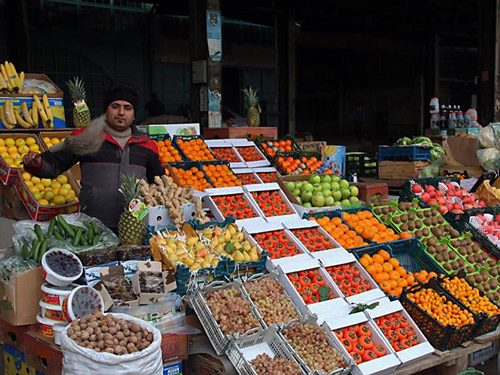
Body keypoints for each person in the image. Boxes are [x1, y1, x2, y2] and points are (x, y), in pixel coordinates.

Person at [23, 82, 164, 232]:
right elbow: (53, 166)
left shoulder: (147, 145)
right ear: (106, 110)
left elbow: (159, 183)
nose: (121, 112)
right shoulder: (87, 138)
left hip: (136, 225)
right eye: (115, 106)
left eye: (127, 108)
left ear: (134, 113)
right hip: (93, 224)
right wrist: (36, 163)